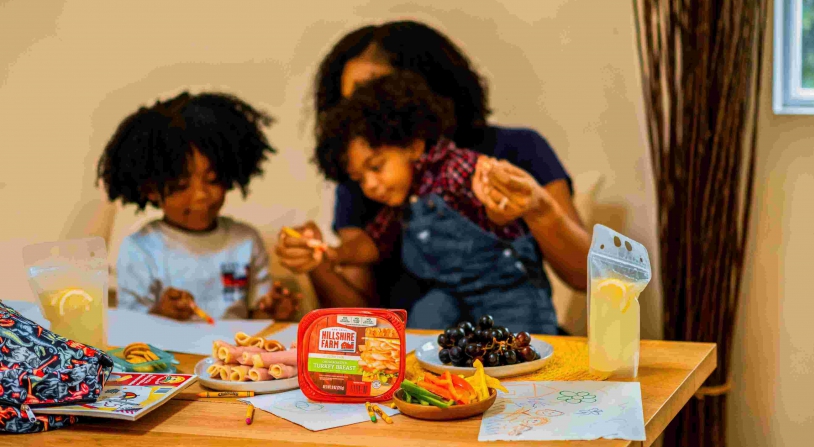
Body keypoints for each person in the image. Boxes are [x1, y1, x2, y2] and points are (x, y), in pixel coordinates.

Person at [275, 21, 590, 330]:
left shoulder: (504, 153)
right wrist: (319, 260)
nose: (358, 114)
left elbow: (587, 278)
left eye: (370, 93)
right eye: (348, 103)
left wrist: (536, 209)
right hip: (434, 337)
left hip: (514, 315)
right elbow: (364, 320)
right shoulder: (367, 184)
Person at [313, 71, 558, 333]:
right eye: (359, 179)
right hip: (452, 294)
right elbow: (373, 244)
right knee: (423, 320)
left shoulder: (457, 170)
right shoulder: (403, 202)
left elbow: (499, 213)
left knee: (517, 347)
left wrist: (494, 200)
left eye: (376, 167)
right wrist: (334, 254)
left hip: (507, 290)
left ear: (414, 147)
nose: (370, 185)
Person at [97, 91, 299, 321]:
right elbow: (129, 326)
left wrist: (273, 310)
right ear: (151, 189)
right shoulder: (140, 249)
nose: (201, 195)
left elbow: (256, 316)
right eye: (182, 185)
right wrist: (162, 313)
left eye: (213, 180)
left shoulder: (245, 241)